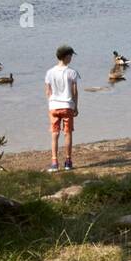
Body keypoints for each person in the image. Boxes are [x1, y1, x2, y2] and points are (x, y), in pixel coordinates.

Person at [45, 44, 80, 172]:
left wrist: (52, 103)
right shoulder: (72, 72)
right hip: (67, 106)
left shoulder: (49, 72)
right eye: (71, 55)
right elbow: (75, 92)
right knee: (68, 133)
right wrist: (75, 106)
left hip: (54, 106)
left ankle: (54, 163)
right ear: (66, 57)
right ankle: (68, 161)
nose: (71, 58)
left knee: (54, 134)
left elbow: (48, 91)